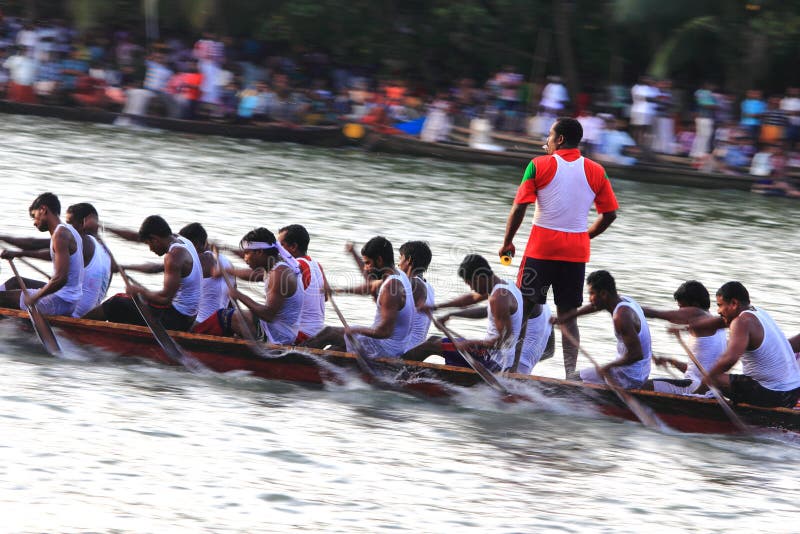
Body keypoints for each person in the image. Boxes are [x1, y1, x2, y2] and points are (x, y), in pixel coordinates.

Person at [500, 117, 618, 379]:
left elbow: (520, 206)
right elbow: (610, 214)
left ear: (560, 139)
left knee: (525, 308)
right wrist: (585, 236)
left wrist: (508, 241)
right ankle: (570, 376)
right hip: (575, 253)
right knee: (569, 315)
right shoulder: (597, 170)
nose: (547, 141)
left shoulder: (537, 164)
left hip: (541, 249)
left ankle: (512, 370)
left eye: (550, 136)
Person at [685, 282, 800, 408]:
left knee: (713, 377)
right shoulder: (756, 312)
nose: (718, 311)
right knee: (718, 377)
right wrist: (691, 327)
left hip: (776, 395)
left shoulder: (741, 322)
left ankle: (705, 401)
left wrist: (705, 383)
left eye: (720, 305)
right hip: (793, 392)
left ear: (734, 304)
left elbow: (729, 360)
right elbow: (720, 322)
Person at [402, 254, 522, 372]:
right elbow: (471, 299)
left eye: (470, 283)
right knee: (434, 339)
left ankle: (396, 370)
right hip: (493, 354)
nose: (472, 288)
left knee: (429, 346)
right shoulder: (505, 285)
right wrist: (436, 307)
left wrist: (470, 343)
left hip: (492, 361)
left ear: (478, 278)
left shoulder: (498, 298)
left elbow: (505, 340)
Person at [84, 215, 201, 331]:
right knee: (129, 302)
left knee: (115, 303)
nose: (150, 249)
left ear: (154, 239)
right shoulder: (182, 240)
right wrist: (102, 227)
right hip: (188, 316)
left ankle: (77, 326)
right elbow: (136, 239)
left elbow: (164, 298)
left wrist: (139, 291)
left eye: (148, 244)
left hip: (176, 319)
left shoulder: (174, 256)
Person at [304, 236, 413, 358]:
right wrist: (337, 290)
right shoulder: (398, 275)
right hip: (391, 345)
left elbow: (384, 332)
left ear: (379, 260)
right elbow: (370, 287)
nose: (366, 268)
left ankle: (294, 356)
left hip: (384, 348)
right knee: (336, 349)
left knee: (328, 333)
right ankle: (313, 366)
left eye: (368, 263)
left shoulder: (390, 288)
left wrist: (356, 330)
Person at [554, 270, 652, 389]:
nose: (590, 299)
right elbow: (595, 306)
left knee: (572, 379)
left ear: (604, 294)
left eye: (591, 294)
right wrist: (567, 317)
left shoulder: (621, 317)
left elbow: (636, 354)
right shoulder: (625, 301)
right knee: (586, 377)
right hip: (641, 372)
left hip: (629, 377)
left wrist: (607, 366)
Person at [211, 227, 304, 345]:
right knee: (235, 314)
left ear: (259, 252)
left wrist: (239, 295)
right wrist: (228, 264)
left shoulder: (278, 274)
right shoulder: (277, 263)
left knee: (223, 315)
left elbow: (268, 315)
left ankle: (194, 344)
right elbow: (253, 274)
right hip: (283, 330)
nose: (245, 258)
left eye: (246, 253)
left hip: (277, 336)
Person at [0, 193, 84, 316]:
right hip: (69, 299)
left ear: (43, 209)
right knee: (14, 282)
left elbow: (60, 279)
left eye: (34, 216)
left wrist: (34, 298)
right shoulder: (69, 230)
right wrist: (18, 254)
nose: (34, 223)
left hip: (60, 301)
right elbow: (54, 254)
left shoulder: (60, 235)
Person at [641, 281, 726, 395]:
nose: (679, 311)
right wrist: (672, 362)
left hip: (696, 388)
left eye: (681, 307)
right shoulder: (716, 326)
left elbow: (657, 314)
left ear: (695, 305)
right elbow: (699, 372)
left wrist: (625, 306)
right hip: (711, 389)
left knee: (641, 385)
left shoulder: (698, 314)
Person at [277, 224, 326, 342]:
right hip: (317, 332)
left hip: (300, 333)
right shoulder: (317, 264)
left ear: (293, 247)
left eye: (280, 246)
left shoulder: (296, 265)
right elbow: (326, 297)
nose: (276, 250)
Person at [65, 203, 112, 318]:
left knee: (15, 282)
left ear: (84, 222)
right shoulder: (106, 252)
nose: (67, 228)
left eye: (70, 223)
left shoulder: (85, 243)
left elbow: (44, 247)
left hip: (74, 311)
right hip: (91, 312)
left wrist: (22, 253)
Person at [398, 240, 435, 349]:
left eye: (400, 258)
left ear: (408, 260)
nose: (398, 263)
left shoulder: (413, 284)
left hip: (404, 350)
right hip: (414, 347)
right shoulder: (429, 287)